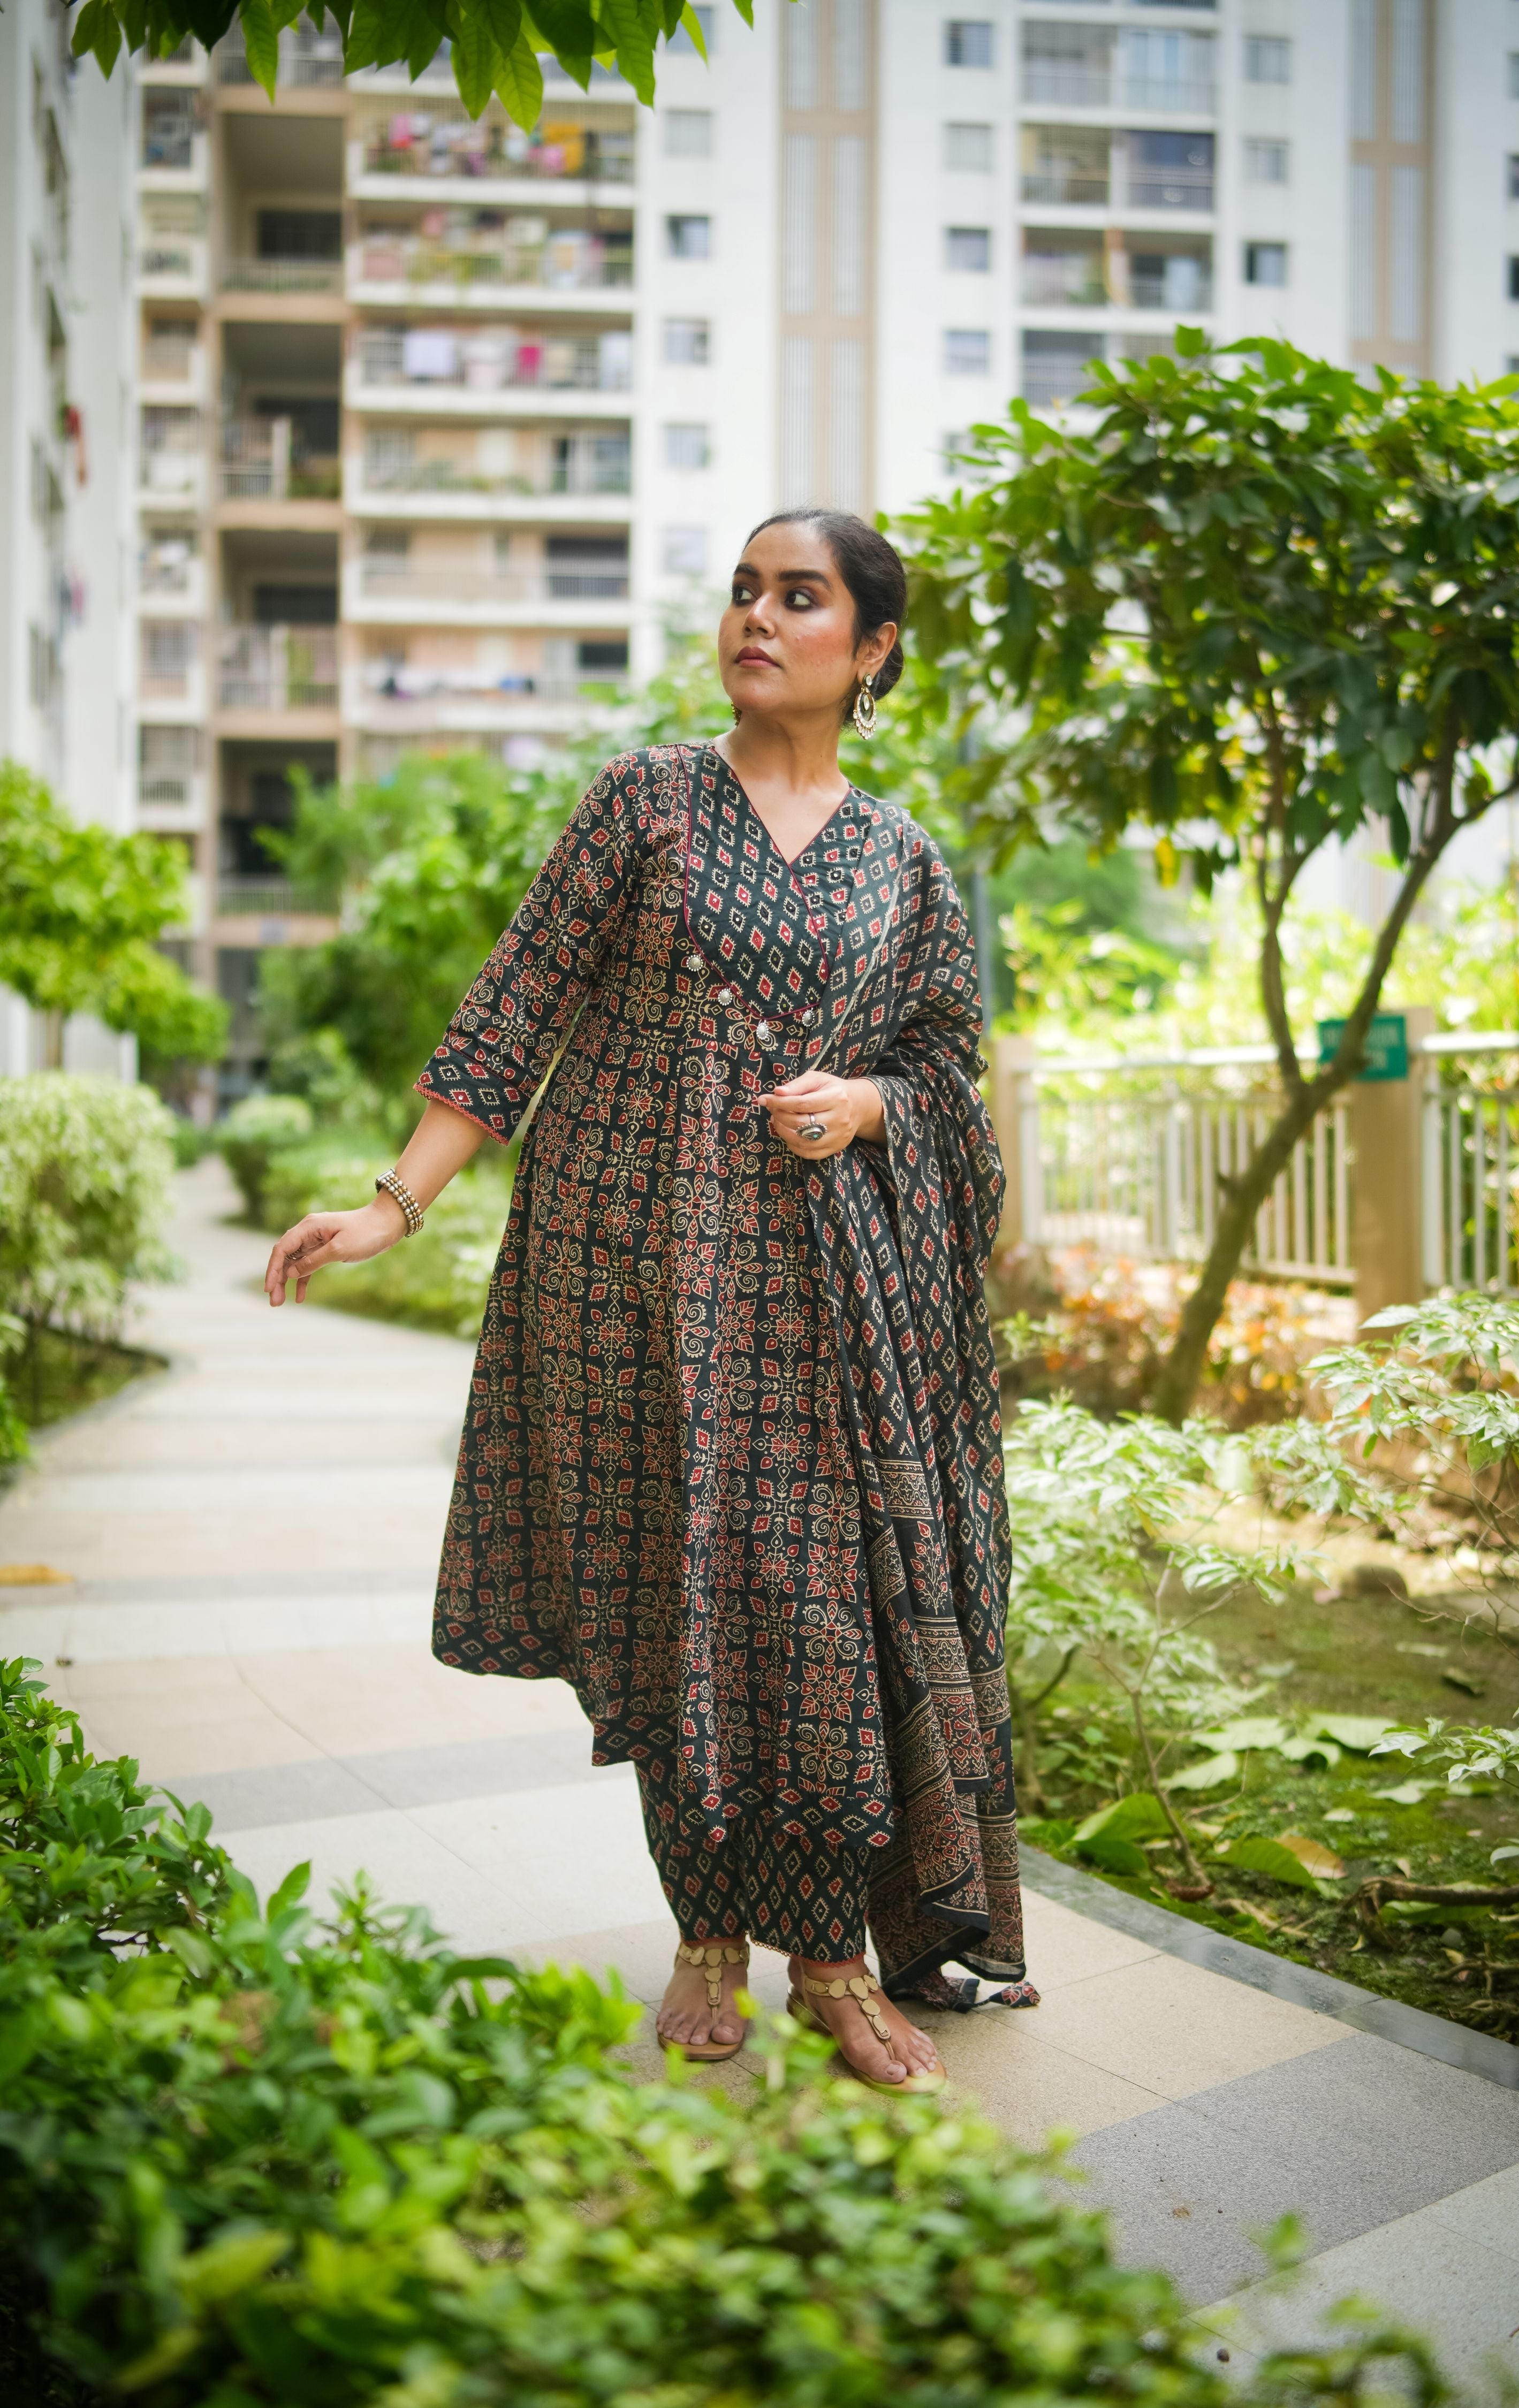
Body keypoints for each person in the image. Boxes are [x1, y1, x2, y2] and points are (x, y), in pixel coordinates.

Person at [263, 508, 1027, 2092]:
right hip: (629, 1276)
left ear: (872, 647)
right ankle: (705, 1940)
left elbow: (950, 1070)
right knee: (680, 1603)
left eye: (799, 597)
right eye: (744, 590)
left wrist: (874, 1106)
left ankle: (825, 1962)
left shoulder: (905, 862)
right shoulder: (648, 803)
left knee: (814, 1612)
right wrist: (390, 1204)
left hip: (828, 1308)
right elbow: (511, 1013)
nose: (759, 617)